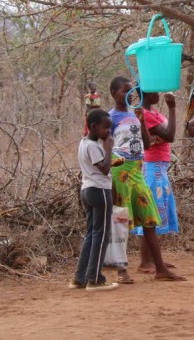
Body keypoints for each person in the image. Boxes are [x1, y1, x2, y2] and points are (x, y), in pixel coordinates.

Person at [108, 77, 186, 282]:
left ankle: (160, 268)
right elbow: (106, 146)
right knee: (120, 219)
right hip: (120, 171)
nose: (129, 94)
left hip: (137, 171)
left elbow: (147, 145)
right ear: (113, 93)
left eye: (130, 91)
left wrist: (141, 121)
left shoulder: (135, 114)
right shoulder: (111, 117)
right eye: (124, 91)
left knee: (149, 218)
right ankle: (122, 270)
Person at [71, 109, 118, 291]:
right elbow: (104, 169)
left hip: (87, 190)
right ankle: (95, 278)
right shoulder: (94, 146)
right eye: (106, 127)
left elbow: (100, 165)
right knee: (101, 235)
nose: (109, 132)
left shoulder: (84, 143)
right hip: (100, 191)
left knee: (91, 234)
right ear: (93, 127)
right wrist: (108, 148)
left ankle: (80, 277)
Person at [133, 92, 180, 273]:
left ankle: (153, 259)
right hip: (153, 166)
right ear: (145, 92)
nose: (158, 94)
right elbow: (169, 136)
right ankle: (145, 261)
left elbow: (165, 136)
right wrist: (172, 108)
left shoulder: (152, 113)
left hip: (159, 166)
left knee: (155, 211)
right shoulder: (145, 114)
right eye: (154, 91)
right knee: (149, 214)